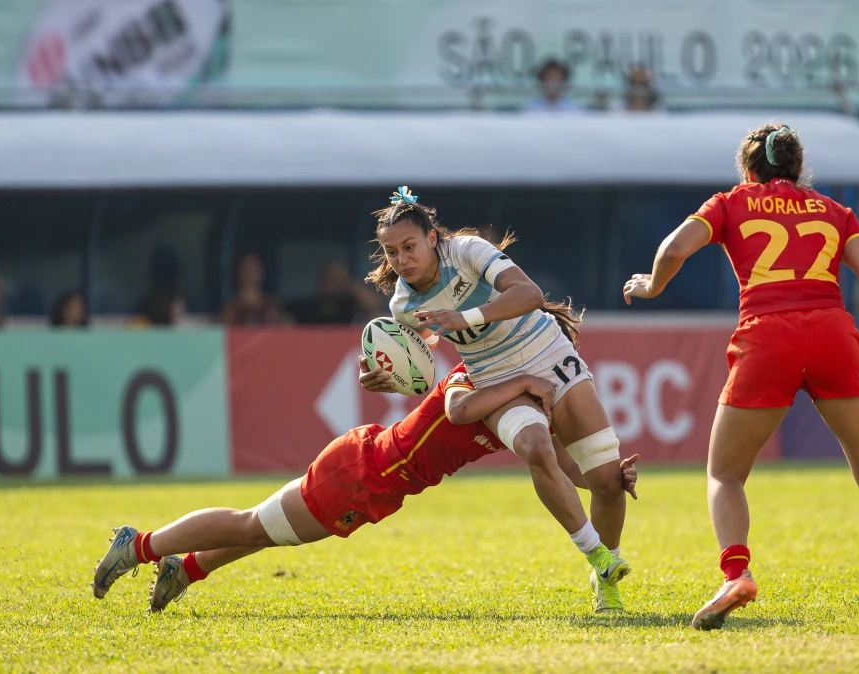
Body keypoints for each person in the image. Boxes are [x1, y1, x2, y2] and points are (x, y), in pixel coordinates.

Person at [623, 124, 859, 629]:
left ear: (749, 170)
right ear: (799, 170)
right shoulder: (835, 211)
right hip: (832, 336)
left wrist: (651, 285)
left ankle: (737, 573)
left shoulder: (730, 202)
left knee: (725, 473)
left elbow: (672, 250)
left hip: (767, 338)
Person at [89, 358, 640, 613]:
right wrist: (523, 377)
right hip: (362, 475)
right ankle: (139, 545)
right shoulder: (486, 376)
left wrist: (605, 480)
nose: (558, 373)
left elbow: (558, 468)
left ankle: (183, 569)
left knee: (266, 531)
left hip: (374, 482)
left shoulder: (522, 408)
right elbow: (457, 405)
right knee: (253, 525)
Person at [365, 186, 631, 613]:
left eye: (409, 246)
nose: (402, 260)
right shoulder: (403, 304)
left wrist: (466, 317)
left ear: (432, 238)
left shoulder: (468, 249)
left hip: (550, 354)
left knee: (608, 483)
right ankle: (600, 560)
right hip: (494, 376)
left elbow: (529, 294)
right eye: (391, 252)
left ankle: (606, 578)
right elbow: (419, 361)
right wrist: (387, 376)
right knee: (535, 447)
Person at [288, 260, 380, 325]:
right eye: (329, 279)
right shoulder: (306, 308)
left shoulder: (348, 305)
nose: (332, 284)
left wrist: (348, 281)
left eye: (336, 280)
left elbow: (374, 305)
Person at [219, 253, 286, 326]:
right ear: (239, 274)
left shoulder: (272, 307)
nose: (251, 275)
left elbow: (287, 329)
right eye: (247, 270)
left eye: (255, 270)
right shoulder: (231, 309)